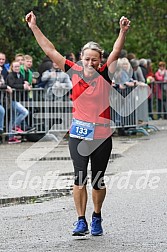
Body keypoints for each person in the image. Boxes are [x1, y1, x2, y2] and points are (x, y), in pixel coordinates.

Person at [26, 11, 130, 236]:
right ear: (81, 58)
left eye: (95, 59)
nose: (90, 62)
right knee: (79, 177)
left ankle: (97, 217)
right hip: (79, 133)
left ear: (100, 60)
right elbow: (49, 50)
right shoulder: (73, 71)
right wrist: (34, 27)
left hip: (101, 136)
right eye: (87, 58)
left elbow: (116, 51)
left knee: (98, 180)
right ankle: (80, 220)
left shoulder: (104, 74)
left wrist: (122, 31)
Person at [6, 61, 30, 143]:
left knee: (13, 118)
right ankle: (14, 127)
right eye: (15, 67)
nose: (17, 68)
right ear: (12, 67)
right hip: (11, 99)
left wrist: (26, 84)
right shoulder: (10, 75)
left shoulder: (20, 75)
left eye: (18, 67)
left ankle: (11, 137)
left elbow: (22, 83)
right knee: (24, 112)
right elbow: (12, 85)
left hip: (18, 98)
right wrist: (23, 86)